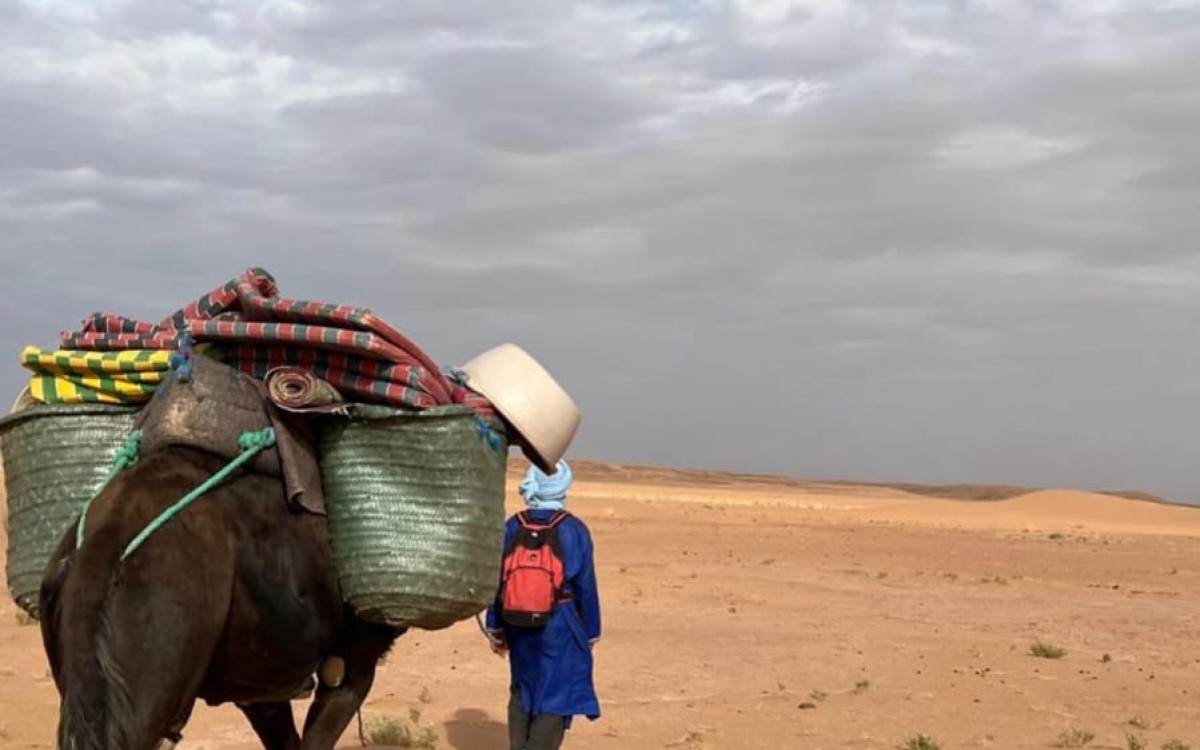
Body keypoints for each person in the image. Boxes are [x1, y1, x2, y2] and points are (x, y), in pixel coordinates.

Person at [484, 459, 601, 750]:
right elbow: (586, 586)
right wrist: (590, 632)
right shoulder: (574, 530)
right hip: (559, 622)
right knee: (556, 692)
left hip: (516, 621)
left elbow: (498, 581)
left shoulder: (513, 524)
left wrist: (495, 627)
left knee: (523, 687)